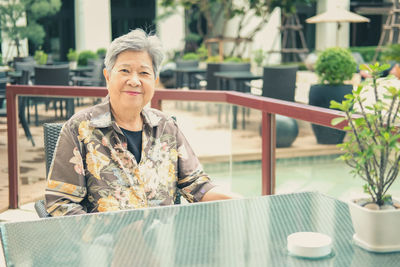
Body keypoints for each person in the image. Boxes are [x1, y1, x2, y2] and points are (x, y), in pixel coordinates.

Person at [45, 29, 238, 216]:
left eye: (144, 73)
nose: (134, 81)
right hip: (105, 245)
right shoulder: (80, 129)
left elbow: (197, 185)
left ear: (154, 80)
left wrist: (237, 200)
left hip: (163, 243)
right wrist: (104, 236)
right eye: (125, 71)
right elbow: (61, 203)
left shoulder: (166, 127)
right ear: (107, 77)